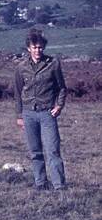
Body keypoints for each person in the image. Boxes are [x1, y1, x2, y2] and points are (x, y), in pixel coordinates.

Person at [13, 29, 67, 190]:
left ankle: (59, 186)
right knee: (35, 151)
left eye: (40, 47)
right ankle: (40, 183)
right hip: (28, 114)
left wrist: (59, 106)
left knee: (53, 150)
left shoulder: (53, 64)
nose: (38, 50)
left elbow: (62, 88)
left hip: (47, 113)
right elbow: (17, 92)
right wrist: (19, 115)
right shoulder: (21, 67)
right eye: (34, 47)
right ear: (28, 48)